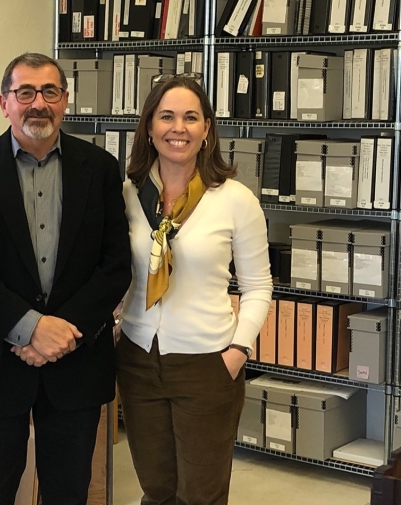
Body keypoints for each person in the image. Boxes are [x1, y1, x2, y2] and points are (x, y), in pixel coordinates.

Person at [0, 53, 132, 505]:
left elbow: (115, 266)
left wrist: (60, 333)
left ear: (65, 101)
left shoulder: (101, 168)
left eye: (49, 92)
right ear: (3, 103)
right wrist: (31, 329)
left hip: (77, 360)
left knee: (69, 492)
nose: (37, 103)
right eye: (24, 92)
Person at [116, 76, 273, 505]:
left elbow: (259, 285)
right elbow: (116, 269)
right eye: (166, 116)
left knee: (199, 495)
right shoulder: (130, 193)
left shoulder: (235, 199)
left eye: (190, 117)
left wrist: (238, 351)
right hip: (138, 360)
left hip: (208, 362)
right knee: (157, 489)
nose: (177, 128)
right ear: (149, 127)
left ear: (207, 129)